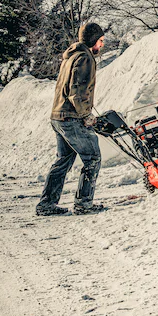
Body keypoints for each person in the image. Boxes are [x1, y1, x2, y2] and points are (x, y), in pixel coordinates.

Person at [36, 22, 105, 216]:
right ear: (93, 40)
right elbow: (77, 90)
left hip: (59, 115)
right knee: (92, 158)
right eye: (100, 41)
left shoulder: (71, 56)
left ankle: (46, 205)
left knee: (63, 160)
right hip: (71, 117)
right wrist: (86, 116)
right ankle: (84, 204)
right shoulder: (85, 58)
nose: (102, 45)